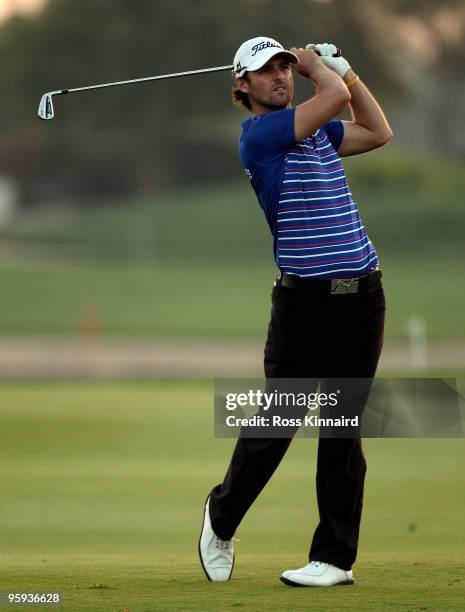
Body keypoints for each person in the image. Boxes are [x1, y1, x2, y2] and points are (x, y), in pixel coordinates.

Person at [199, 36, 392, 587]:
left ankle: (333, 558)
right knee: (279, 422)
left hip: (363, 296)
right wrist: (319, 70)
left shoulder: (319, 136)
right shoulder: (260, 136)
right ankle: (220, 516)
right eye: (268, 71)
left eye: (286, 67)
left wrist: (348, 72)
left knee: (342, 429)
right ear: (243, 85)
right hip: (304, 305)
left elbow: (378, 132)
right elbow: (327, 101)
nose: (281, 76)